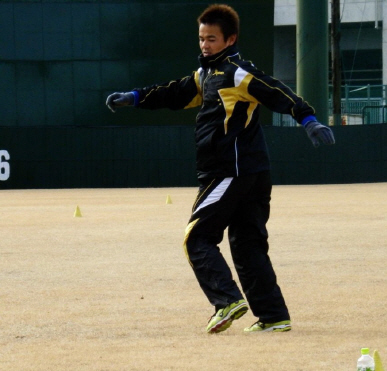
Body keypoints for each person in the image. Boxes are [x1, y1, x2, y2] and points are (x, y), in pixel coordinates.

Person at [106, 4, 335, 334]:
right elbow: (175, 93)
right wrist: (136, 97)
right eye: (201, 38)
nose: (204, 45)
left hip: (231, 172)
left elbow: (275, 91)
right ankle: (273, 316)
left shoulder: (237, 72)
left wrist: (308, 119)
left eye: (211, 39)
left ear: (230, 39)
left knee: (195, 238)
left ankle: (226, 301)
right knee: (247, 245)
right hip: (251, 172)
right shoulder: (206, 75)